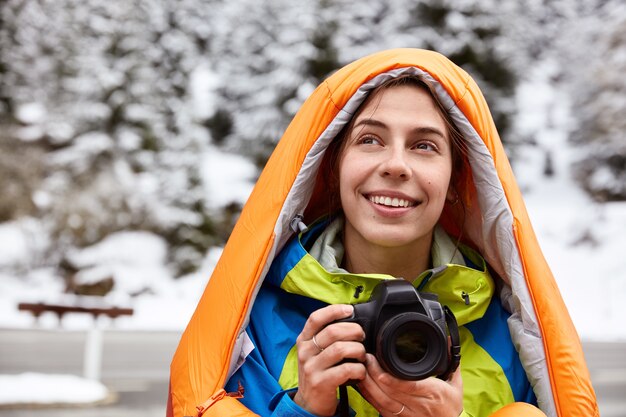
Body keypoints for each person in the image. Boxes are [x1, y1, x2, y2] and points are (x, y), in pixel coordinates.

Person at [167, 49, 599, 417]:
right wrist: (304, 407)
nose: (396, 165)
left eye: (424, 145)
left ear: (455, 182)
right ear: (333, 166)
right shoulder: (255, 328)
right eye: (370, 140)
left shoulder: (512, 336)